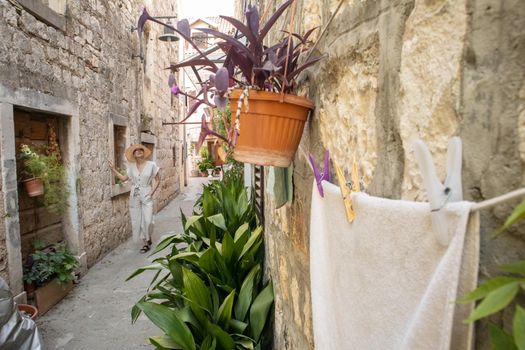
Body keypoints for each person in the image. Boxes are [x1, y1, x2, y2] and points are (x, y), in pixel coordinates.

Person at [108, 144, 160, 253]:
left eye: (140, 149)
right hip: (135, 194)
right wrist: (113, 169)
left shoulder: (152, 165)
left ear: (143, 152)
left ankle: (148, 236)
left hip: (147, 193)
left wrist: (151, 192)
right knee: (137, 219)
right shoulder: (131, 167)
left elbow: (158, 179)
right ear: (134, 154)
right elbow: (123, 178)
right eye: (136, 150)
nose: (138, 151)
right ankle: (145, 243)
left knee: (148, 220)